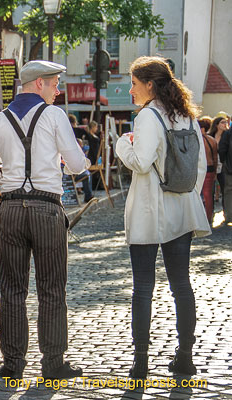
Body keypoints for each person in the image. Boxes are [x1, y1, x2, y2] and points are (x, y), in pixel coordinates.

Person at [0, 60, 88, 380]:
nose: (58, 89)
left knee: (12, 289)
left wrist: (6, 173)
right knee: (52, 288)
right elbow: (77, 165)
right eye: (54, 83)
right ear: (38, 83)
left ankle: (12, 365)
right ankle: (53, 363)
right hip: (47, 209)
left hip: (10, 210)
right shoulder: (54, 116)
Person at [115, 56, 211, 379]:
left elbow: (141, 161)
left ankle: (140, 363)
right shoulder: (187, 116)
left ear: (149, 85)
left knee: (143, 287)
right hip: (181, 210)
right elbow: (199, 168)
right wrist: (185, 194)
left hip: (148, 211)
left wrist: (120, 145)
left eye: (133, 83)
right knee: (181, 285)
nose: (130, 90)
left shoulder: (147, 117)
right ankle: (185, 357)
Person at [209, 116, 230, 216]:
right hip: (212, 165)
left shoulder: (227, 135)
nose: (225, 124)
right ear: (217, 124)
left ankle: (226, 212)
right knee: (210, 191)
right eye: (222, 122)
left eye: (226, 122)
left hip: (223, 165)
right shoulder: (210, 135)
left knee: (224, 189)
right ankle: (210, 212)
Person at [198, 118, 218, 223]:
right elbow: (215, 158)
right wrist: (215, 172)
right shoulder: (212, 140)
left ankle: (198, 218)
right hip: (209, 168)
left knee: (197, 194)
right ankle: (208, 218)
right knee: (208, 194)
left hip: (198, 168)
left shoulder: (196, 139)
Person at [219, 125, 232, 224]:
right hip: (229, 167)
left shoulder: (227, 133)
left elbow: (222, 149)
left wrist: (224, 162)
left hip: (229, 168)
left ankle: (229, 216)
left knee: (228, 192)